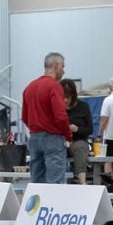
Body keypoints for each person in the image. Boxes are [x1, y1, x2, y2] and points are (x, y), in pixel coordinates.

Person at [21, 52, 72, 184]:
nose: (63, 71)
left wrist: (37, 129)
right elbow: (60, 116)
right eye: (63, 67)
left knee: (37, 181)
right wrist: (68, 135)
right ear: (56, 66)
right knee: (54, 183)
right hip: (53, 139)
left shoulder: (29, 87)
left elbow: (24, 117)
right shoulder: (54, 86)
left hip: (34, 138)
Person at [61, 79, 93, 185]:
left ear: (74, 95)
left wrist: (77, 129)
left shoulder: (83, 107)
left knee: (79, 148)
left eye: (68, 97)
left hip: (78, 140)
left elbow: (90, 129)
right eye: (63, 97)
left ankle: (82, 181)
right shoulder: (57, 107)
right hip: (61, 140)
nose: (65, 100)